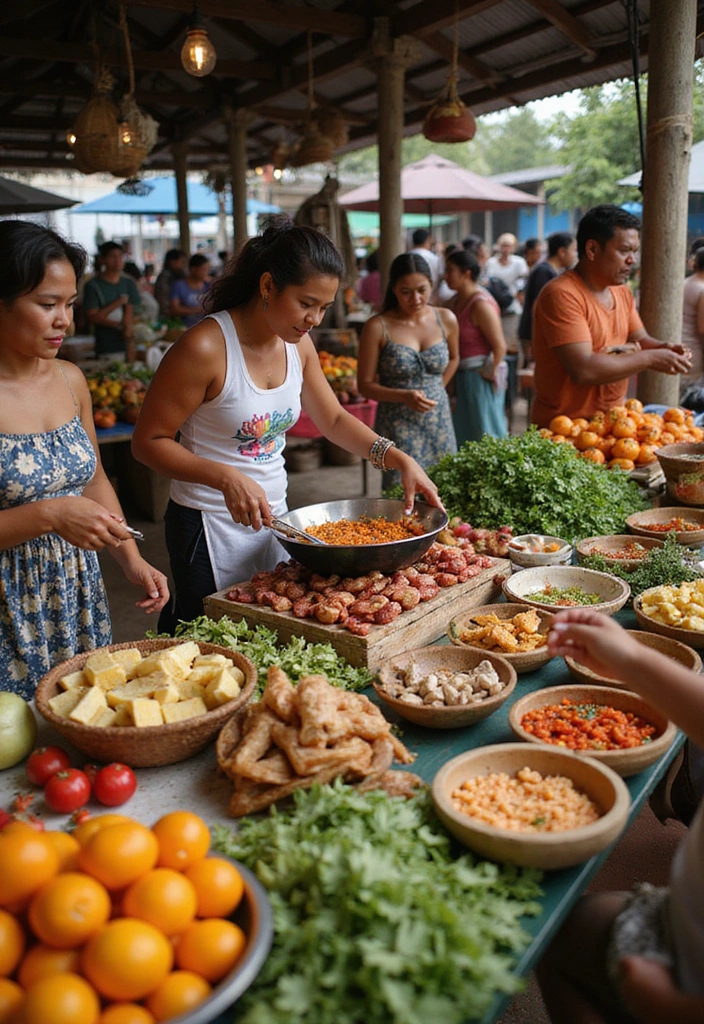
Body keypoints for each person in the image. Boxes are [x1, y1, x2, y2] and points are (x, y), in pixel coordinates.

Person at [131, 217, 442, 632]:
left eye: (325, 308)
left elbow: (331, 418)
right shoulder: (205, 347)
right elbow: (148, 441)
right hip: (207, 525)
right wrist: (224, 477)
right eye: (306, 303)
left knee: (266, 630)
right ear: (266, 286)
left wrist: (396, 457)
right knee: (209, 638)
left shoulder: (299, 345)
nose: (314, 318)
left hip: (276, 519)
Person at [0, 221, 169, 699]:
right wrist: (50, 513)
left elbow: (93, 479)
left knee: (84, 717)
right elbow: (63, 506)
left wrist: (129, 557)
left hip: (76, 593)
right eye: (47, 304)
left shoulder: (70, 379)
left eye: (70, 304)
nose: (64, 321)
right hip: (9, 607)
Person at [537, 609, 704, 1024]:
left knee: (557, 942)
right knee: (568, 929)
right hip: (681, 919)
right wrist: (629, 658)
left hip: (683, 981)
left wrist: (676, 1008)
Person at [530, 205, 692, 428]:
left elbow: (641, 340)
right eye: (625, 251)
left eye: (635, 251)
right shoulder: (561, 294)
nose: (632, 260)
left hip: (612, 424)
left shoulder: (621, 291)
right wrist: (653, 358)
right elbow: (583, 370)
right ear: (593, 249)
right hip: (564, 428)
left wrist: (664, 348)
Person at [357, 252, 459, 491]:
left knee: (445, 485)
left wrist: (438, 386)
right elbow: (365, 384)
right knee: (402, 493)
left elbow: (455, 358)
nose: (415, 298)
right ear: (393, 289)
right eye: (406, 292)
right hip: (397, 423)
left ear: (432, 285)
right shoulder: (377, 327)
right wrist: (404, 396)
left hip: (439, 418)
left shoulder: (446, 319)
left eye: (422, 290)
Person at [444, 248, 507, 444]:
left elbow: (499, 347)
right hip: (460, 378)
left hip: (479, 378)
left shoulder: (481, 305)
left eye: (450, 271)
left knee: (486, 435)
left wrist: (487, 374)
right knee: (464, 437)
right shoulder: (453, 303)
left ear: (467, 273)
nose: (445, 276)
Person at [517, 231, 577, 362]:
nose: (574, 255)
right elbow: (537, 307)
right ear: (562, 251)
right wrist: (535, 340)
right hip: (532, 335)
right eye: (573, 250)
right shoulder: (544, 272)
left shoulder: (553, 271)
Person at [82, 241, 140, 360]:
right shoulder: (93, 285)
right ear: (102, 259)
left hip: (131, 345)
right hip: (106, 345)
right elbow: (92, 316)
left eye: (120, 256)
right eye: (113, 256)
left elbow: (134, 309)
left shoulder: (129, 283)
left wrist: (128, 327)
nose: (118, 260)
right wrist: (120, 322)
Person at [484, 233, 528, 348]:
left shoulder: (519, 263)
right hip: (494, 304)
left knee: (511, 341)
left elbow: (522, 283)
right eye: (504, 245)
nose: (506, 249)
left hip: (512, 306)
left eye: (509, 245)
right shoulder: (491, 262)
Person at [681, 246, 704, 383]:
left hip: (677, 349)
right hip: (693, 352)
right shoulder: (702, 289)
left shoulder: (684, 283)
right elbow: (702, 329)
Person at [170, 254, 211, 329]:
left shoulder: (208, 285)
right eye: (203, 270)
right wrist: (198, 310)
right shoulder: (179, 286)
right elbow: (175, 309)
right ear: (193, 269)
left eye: (207, 270)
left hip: (205, 327)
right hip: (184, 327)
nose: (206, 273)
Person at [154, 249, 187, 319]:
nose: (183, 265)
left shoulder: (180, 275)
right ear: (172, 262)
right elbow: (163, 298)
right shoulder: (165, 277)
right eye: (181, 262)